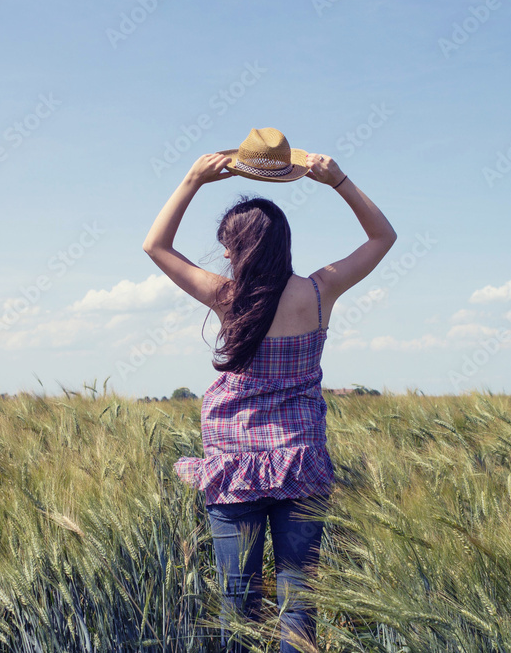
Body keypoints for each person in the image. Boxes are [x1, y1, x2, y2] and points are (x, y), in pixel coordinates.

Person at [142, 128, 397, 653]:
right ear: (284, 243)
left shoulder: (225, 296)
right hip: (300, 458)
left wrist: (192, 178)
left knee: (238, 600)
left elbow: (155, 246)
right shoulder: (319, 291)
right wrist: (339, 181)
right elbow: (382, 238)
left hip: (234, 462)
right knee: (300, 599)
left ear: (233, 248)